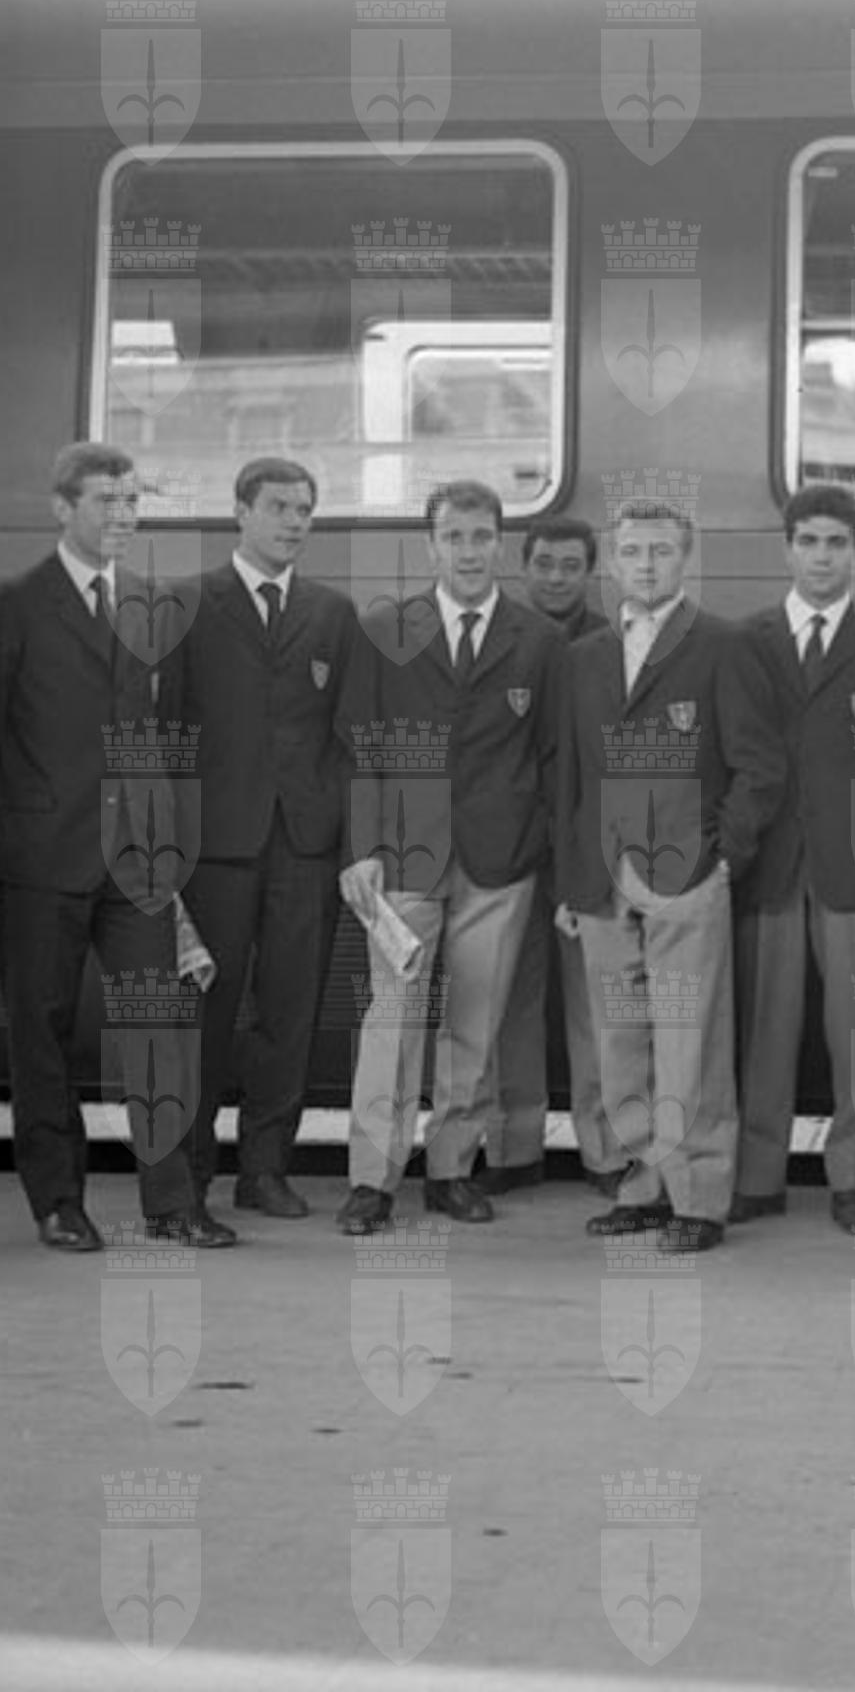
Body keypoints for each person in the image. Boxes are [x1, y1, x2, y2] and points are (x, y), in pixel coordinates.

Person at [0, 443, 220, 1248]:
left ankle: (171, 1202)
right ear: (62, 507)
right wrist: (35, 807)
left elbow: (161, 729)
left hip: (136, 860)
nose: (123, 515)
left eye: (132, 500)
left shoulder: (149, 603)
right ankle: (57, 1201)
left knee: (157, 1024)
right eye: (106, 499)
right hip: (39, 855)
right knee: (40, 1033)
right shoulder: (8, 607)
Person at [334, 480, 566, 1234]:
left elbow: (554, 757)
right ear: (430, 546)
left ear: (500, 544)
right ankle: (371, 1180)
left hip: (501, 861)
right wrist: (362, 848)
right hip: (404, 856)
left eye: (481, 536)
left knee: (475, 1023)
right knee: (392, 1023)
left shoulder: (539, 640)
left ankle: (450, 1170)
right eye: (454, 537)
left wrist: (542, 846)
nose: (469, 551)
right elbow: (359, 745)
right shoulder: (384, 629)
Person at [554, 498, 786, 1253]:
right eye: (632, 551)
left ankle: (700, 1198)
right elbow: (570, 775)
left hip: (686, 872)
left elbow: (759, 766)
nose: (646, 564)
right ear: (612, 561)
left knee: (691, 1041)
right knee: (620, 1042)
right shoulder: (585, 657)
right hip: (603, 872)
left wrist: (723, 859)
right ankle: (643, 1186)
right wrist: (571, 881)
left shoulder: (722, 645)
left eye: (660, 551)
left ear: (685, 558)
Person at [159, 459, 356, 1221]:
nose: (294, 522)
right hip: (212, 846)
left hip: (304, 846)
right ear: (240, 511)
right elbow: (165, 730)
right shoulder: (187, 603)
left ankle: (265, 1169)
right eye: (278, 507)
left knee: (290, 1011)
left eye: (304, 509)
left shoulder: (331, 612)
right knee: (202, 1016)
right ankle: (190, 1173)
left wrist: (344, 837)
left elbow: (346, 732)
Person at [731, 484, 855, 1235]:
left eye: (836, 542)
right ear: (787, 549)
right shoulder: (748, 640)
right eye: (808, 542)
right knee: (762, 1028)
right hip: (769, 860)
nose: (822, 557)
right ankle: (755, 1176)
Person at [482, 516, 623, 1196]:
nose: (557, 578)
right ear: (524, 566)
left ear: (590, 572)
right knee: (509, 997)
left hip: (589, 846)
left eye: (571, 566)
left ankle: (607, 1153)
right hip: (511, 845)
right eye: (544, 564)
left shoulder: (612, 644)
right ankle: (512, 1150)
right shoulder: (499, 636)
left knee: (597, 1005)